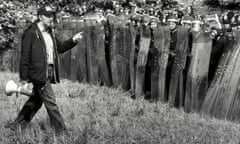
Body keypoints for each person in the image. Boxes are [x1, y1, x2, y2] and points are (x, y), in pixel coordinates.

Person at [7, 6, 83, 133]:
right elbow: (25, 56)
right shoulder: (31, 32)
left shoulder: (50, 32)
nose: (50, 18)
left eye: (51, 15)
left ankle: (18, 125)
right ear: (40, 16)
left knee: (36, 100)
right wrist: (24, 78)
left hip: (49, 71)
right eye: (47, 16)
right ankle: (61, 131)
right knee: (50, 101)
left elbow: (61, 47)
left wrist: (73, 40)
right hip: (38, 73)